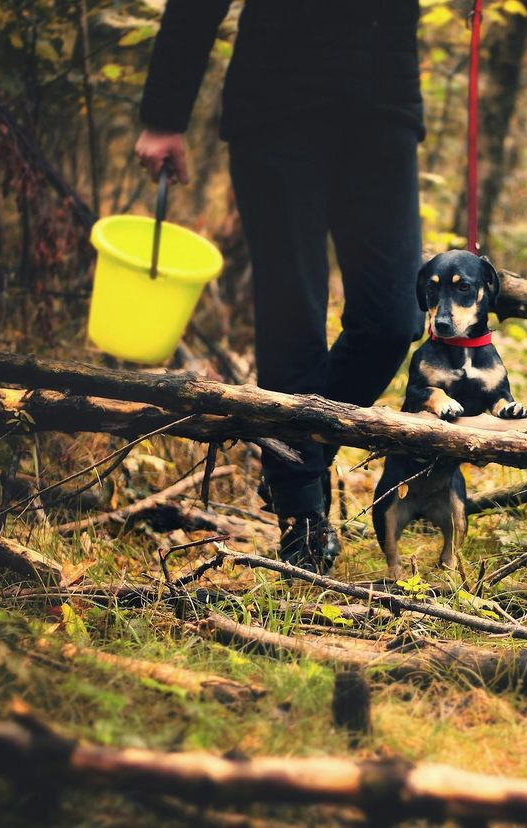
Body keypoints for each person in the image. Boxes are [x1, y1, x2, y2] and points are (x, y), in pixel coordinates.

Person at [135, 1, 425, 573]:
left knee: (394, 318)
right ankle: (301, 513)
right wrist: (164, 116)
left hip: (383, 103)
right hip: (278, 105)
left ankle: (300, 450)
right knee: (293, 307)